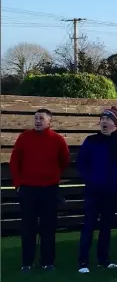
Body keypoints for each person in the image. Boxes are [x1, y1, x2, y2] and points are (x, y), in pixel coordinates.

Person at [9, 108, 70, 272]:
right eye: (35, 118)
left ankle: (47, 262)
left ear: (49, 121)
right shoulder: (24, 138)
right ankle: (26, 263)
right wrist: (18, 184)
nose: (37, 121)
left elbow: (64, 160)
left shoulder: (57, 140)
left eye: (41, 118)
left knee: (48, 227)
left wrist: (53, 177)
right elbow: (14, 162)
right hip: (28, 189)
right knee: (28, 226)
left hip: (49, 189)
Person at [76, 107, 117, 273]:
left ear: (115, 124)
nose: (104, 122)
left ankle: (103, 259)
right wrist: (90, 179)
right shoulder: (91, 140)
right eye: (102, 119)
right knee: (89, 225)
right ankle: (83, 262)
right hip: (93, 190)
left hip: (111, 191)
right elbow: (81, 163)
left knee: (106, 227)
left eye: (108, 119)